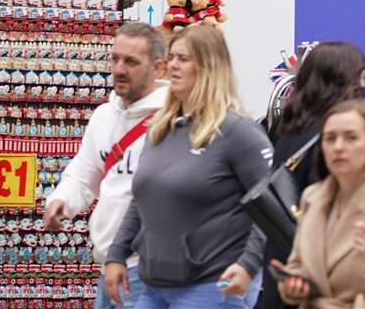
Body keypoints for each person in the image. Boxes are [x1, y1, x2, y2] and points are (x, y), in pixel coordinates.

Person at [104, 25, 274, 309]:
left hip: (212, 286)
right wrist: (116, 254)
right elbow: (142, 199)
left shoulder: (237, 132)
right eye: (171, 57)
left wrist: (248, 265)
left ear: (209, 66)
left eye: (183, 59)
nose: (172, 65)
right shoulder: (160, 129)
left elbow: (268, 205)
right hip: (154, 284)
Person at [45, 22, 170, 309]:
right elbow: (82, 176)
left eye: (131, 61)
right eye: (115, 58)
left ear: (158, 68)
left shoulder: (172, 119)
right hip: (107, 267)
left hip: (150, 270)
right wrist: (62, 201)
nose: (119, 69)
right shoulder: (104, 115)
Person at [272, 99, 365, 309]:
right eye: (330, 139)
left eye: (351, 138)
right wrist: (293, 286)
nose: (339, 147)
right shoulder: (312, 199)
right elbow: (298, 265)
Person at [257, 43, 365, 309]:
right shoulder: (335, 136)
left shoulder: (291, 129)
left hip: (284, 263)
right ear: (341, 81)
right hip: (320, 271)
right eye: (360, 77)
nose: (364, 86)